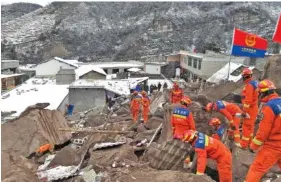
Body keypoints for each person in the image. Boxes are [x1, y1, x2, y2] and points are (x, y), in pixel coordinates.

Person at [245, 80, 281, 182]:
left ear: (263, 93)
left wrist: (253, 146)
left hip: (273, 146)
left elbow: (263, 132)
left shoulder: (270, 107)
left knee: (257, 169)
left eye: (259, 93)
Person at [240, 68, 259, 149]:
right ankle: (249, 143)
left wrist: (244, 111)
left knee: (246, 126)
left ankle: (244, 144)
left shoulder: (249, 86)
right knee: (251, 126)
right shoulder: (254, 83)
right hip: (254, 108)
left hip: (250, 109)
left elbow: (248, 100)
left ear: (244, 77)